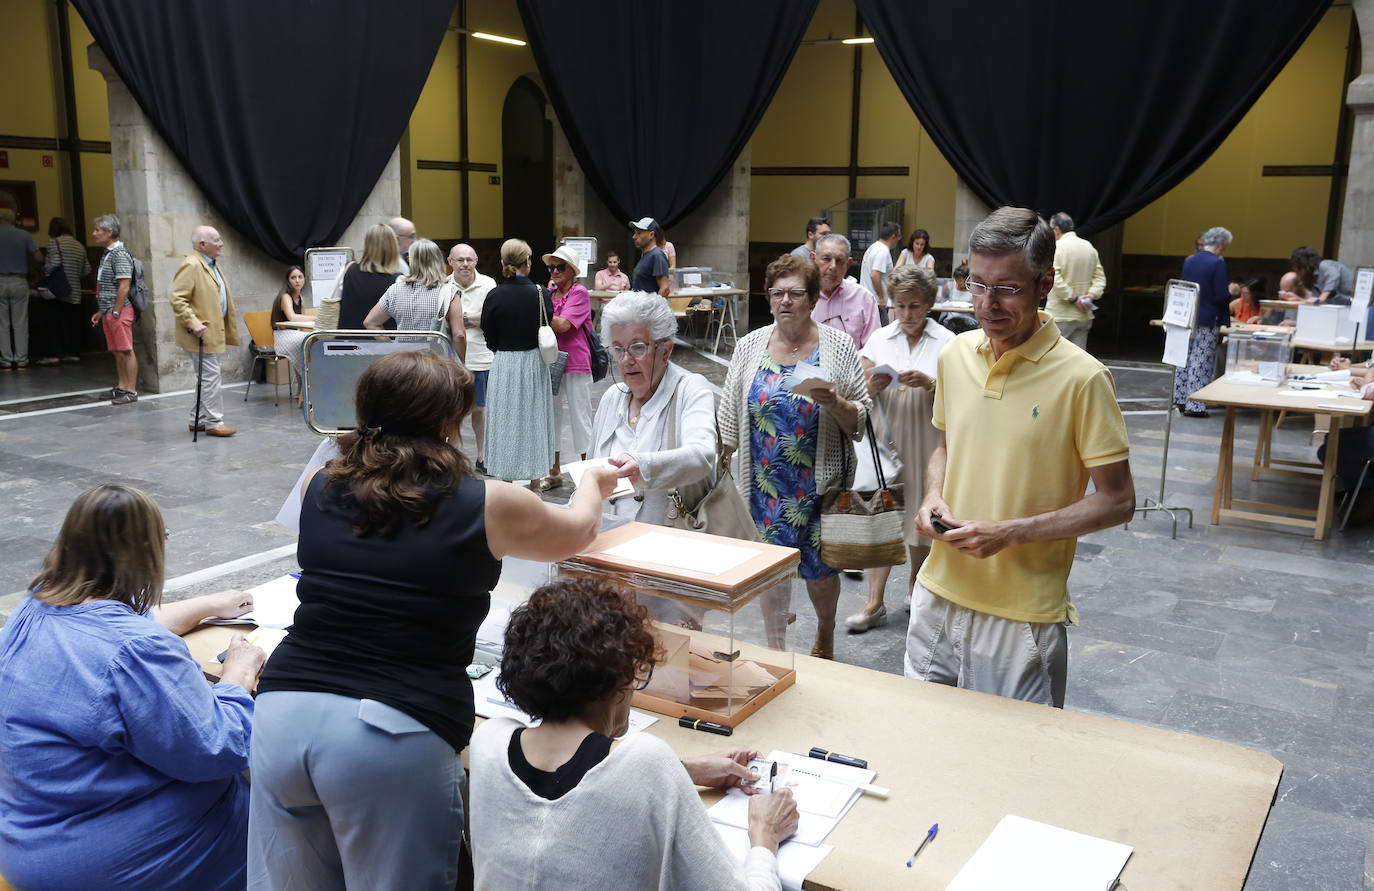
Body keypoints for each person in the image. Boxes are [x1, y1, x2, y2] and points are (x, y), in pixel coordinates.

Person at [247, 350, 617, 890]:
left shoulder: (318, 485)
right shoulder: (488, 502)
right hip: (390, 730)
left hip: (283, 713)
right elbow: (578, 530)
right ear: (448, 422)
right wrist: (595, 481)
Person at [905, 206, 1135, 707]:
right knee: (920, 747)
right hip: (935, 595)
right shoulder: (955, 356)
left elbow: (1117, 502)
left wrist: (1008, 532)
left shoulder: (1084, 378)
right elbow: (945, 445)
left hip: (1021, 615)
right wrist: (932, 495)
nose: (987, 304)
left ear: (1045, 282)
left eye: (1007, 287)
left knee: (1016, 768)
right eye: (976, 283)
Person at [0, 483, 267, 890]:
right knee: (284, 808)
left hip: (30, 839)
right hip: (116, 863)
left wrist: (211, 605)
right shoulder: (137, 651)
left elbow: (118, 630)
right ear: (146, 552)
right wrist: (238, 676)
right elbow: (217, 748)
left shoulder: (35, 606)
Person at [469, 577, 799, 890]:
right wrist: (765, 835)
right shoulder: (647, 762)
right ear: (617, 683)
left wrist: (684, 770)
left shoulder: (489, 742)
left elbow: (579, 778)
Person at [720, 254, 871, 659]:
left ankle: (825, 633)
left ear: (813, 299)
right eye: (778, 293)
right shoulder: (750, 345)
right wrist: (722, 463)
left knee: (821, 570)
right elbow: (730, 412)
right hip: (765, 483)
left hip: (819, 485)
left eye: (796, 293)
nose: (786, 301)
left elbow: (862, 417)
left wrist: (835, 401)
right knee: (768, 570)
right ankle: (774, 647)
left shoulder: (837, 346)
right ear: (768, 299)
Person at [845, 265, 955, 632]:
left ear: (928, 305)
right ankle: (874, 602)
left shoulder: (946, 341)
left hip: (927, 437)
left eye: (915, 307)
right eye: (899, 307)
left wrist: (930, 383)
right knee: (882, 516)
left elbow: (962, 396)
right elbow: (857, 388)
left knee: (919, 516)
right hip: (886, 439)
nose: (907, 315)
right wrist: (872, 385)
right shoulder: (880, 339)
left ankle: (915, 587)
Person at [591, 291, 716, 524]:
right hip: (606, 547)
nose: (626, 360)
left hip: (666, 548)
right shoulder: (610, 399)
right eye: (618, 349)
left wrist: (644, 467)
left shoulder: (690, 390)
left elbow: (702, 456)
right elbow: (589, 475)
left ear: (665, 350)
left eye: (637, 347)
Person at [481, 238, 557, 483]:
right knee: (534, 418)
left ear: (503, 262)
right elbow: (548, 322)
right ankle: (535, 481)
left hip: (504, 362)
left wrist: (501, 349)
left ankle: (506, 479)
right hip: (534, 362)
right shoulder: (540, 293)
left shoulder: (494, 295)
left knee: (504, 420)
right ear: (528, 261)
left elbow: (488, 333)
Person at [170, 226, 240, 436]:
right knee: (211, 378)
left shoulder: (208, 264)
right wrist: (194, 323)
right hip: (200, 334)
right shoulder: (192, 264)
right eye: (216, 240)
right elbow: (177, 298)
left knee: (206, 377)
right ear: (202, 244)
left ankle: (197, 420)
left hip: (210, 333)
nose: (221, 243)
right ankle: (214, 422)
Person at [544, 244, 594, 488]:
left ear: (572, 270)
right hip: (552, 361)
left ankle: (587, 473)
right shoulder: (549, 294)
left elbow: (563, 326)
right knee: (551, 416)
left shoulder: (579, 292)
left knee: (579, 416)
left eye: (559, 267)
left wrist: (537, 308)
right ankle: (554, 471)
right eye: (551, 267)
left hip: (576, 361)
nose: (554, 271)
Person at [364, 238, 464, 359]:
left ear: (410, 260)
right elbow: (459, 335)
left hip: (404, 363)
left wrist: (392, 349)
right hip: (437, 364)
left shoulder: (395, 290)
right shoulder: (450, 291)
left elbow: (371, 323)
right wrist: (461, 362)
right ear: (438, 259)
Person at [444, 242, 496, 472]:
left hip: (482, 357)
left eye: (469, 260)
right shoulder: (444, 285)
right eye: (460, 260)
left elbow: (490, 318)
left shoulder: (488, 284)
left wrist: (458, 318)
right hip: (451, 360)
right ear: (450, 262)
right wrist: (474, 318)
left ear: (476, 261)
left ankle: (482, 456)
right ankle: (452, 457)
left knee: (480, 410)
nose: (465, 264)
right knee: (452, 412)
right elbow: (443, 321)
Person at [1174, 226, 1233, 417]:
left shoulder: (1190, 261)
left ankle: (1180, 399)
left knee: (1185, 358)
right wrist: (1225, 318)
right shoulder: (1217, 263)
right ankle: (1196, 405)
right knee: (1201, 360)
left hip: (1187, 315)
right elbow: (1221, 295)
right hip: (1208, 317)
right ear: (1221, 245)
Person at [90, 214, 139, 402]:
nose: (94, 234)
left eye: (97, 230)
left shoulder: (119, 254)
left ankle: (131, 390)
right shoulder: (108, 253)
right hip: (110, 311)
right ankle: (122, 386)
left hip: (118, 311)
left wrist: (116, 311)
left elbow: (124, 286)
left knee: (126, 350)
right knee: (117, 350)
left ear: (109, 232)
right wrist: (102, 311)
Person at [1045, 212, 1106, 351]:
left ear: (1057, 230)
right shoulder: (1088, 247)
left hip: (1060, 314)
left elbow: (1053, 277)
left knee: (1054, 358)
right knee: (1078, 359)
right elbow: (1100, 278)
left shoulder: (1057, 247)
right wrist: (1090, 296)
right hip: (1084, 315)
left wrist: (1074, 298)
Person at [810, 233, 879, 349]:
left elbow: (873, 349)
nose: (833, 266)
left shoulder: (864, 298)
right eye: (826, 259)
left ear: (848, 264)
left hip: (853, 365)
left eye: (839, 261)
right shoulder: (798, 295)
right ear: (813, 259)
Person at [41, 216, 91, 364]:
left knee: (53, 322)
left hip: (58, 290)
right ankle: (73, 353)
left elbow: (54, 263)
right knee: (73, 324)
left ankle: (53, 355)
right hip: (74, 291)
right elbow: (87, 269)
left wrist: (46, 271)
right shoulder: (79, 245)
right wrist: (74, 275)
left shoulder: (54, 242)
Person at [337, 223, 401, 329]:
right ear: (393, 247)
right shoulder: (398, 280)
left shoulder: (348, 269)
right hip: (381, 343)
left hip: (345, 341)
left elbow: (332, 300)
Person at [0, 207, 40, 372]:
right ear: (12, 219)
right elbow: (38, 256)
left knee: (2, 324)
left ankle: (6, 361)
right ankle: (22, 360)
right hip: (19, 280)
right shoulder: (23, 235)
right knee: (20, 323)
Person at [268, 265, 311, 377]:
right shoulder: (285, 296)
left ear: (304, 279)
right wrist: (317, 318)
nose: (297, 280)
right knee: (307, 340)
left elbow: (303, 325)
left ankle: (305, 379)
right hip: (282, 336)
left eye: (300, 277)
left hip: (295, 334)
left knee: (313, 338)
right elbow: (292, 318)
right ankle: (304, 378)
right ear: (288, 280)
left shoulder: (301, 298)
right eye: (293, 277)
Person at [860, 221, 902, 325]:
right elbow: (875, 275)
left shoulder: (873, 247)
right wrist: (882, 298)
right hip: (876, 303)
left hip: (867, 299)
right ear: (893, 236)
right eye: (898, 237)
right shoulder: (883, 251)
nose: (898, 240)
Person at [630, 216, 671, 296]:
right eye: (634, 233)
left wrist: (653, 307)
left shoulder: (657, 255)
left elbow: (665, 288)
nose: (634, 237)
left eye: (639, 233)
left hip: (650, 308)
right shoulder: (645, 255)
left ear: (651, 235)